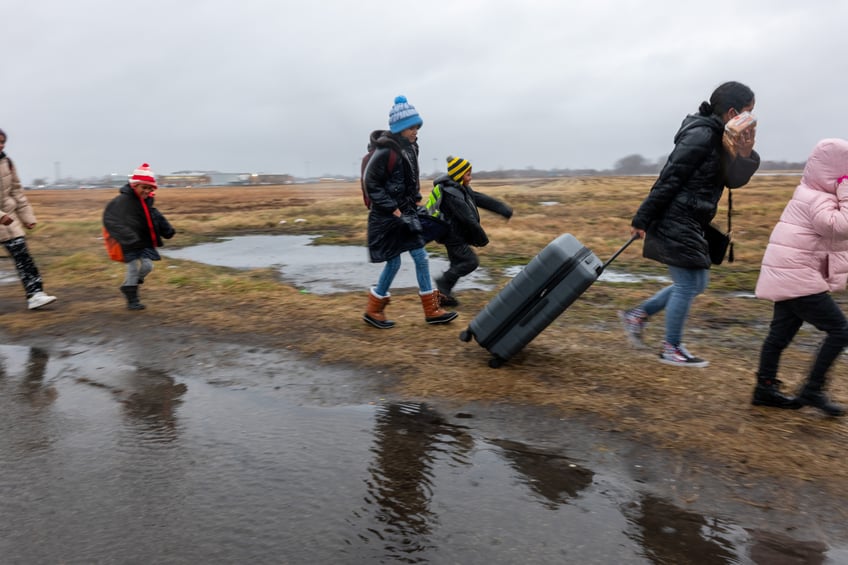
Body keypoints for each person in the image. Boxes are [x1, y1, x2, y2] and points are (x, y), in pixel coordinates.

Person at [619, 81, 760, 367]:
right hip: (676, 217)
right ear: (733, 112)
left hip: (691, 219)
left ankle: (637, 315)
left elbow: (734, 181)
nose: (753, 119)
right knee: (687, 284)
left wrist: (744, 155)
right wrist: (642, 217)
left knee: (696, 283)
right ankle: (671, 347)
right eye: (749, 112)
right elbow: (670, 177)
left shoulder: (724, 138)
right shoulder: (701, 135)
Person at [751, 138, 848, 417]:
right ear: (836, 170)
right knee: (841, 330)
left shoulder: (811, 192)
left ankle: (764, 388)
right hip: (797, 275)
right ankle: (812, 390)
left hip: (790, 272)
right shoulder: (818, 198)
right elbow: (840, 226)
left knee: (779, 336)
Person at [362, 95, 457, 329]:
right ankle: (374, 311)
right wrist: (394, 211)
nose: (416, 131)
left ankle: (431, 310)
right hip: (387, 218)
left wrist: (416, 204)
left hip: (406, 213)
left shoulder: (412, 148)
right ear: (401, 128)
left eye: (417, 126)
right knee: (393, 263)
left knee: (421, 257)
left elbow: (409, 182)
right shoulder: (385, 151)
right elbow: (370, 184)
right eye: (412, 127)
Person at [428, 155, 513, 306]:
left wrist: (502, 209)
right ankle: (443, 283)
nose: (471, 177)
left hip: (455, 234)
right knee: (470, 262)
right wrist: (482, 239)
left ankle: (443, 295)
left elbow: (480, 198)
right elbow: (468, 219)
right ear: (459, 174)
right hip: (452, 235)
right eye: (468, 174)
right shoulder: (452, 193)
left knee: (457, 264)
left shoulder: (461, 188)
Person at [102, 163, 175, 310]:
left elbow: (155, 216)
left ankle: (131, 284)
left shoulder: (147, 201)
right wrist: (127, 235)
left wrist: (167, 230)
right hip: (127, 241)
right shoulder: (122, 201)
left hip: (143, 240)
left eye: (150, 188)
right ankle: (132, 299)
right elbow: (109, 219)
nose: (147, 191)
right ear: (135, 185)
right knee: (133, 268)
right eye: (144, 187)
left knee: (148, 266)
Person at [0, 128, 57, 310]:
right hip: (4, 218)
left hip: (10, 219)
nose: (1, 145)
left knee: (23, 257)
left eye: (3, 142)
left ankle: (35, 295)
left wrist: (27, 217)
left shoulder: (7, 162)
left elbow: (16, 190)